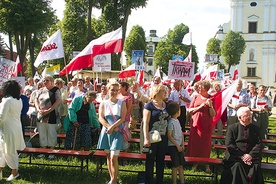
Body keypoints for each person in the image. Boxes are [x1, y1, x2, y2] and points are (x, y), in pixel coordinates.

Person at [220, 107, 264, 184]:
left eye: (250, 115)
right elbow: (230, 144)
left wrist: (250, 155)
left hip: (252, 158)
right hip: (236, 157)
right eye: (247, 116)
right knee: (237, 166)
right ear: (240, 117)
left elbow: (259, 143)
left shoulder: (255, 128)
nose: (250, 117)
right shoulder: (232, 128)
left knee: (255, 167)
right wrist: (242, 156)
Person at [97, 81, 127, 184]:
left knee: (114, 156)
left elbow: (122, 118)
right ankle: (112, 178)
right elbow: (101, 118)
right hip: (107, 132)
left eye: (116, 90)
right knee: (109, 156)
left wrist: (113, 127)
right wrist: (109, 127)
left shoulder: (122, 103)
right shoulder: (103, 103)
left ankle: (114, 180)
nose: (114, 92)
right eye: (112, 90)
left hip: (117, 132)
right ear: (108, 90)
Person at [185, 80, 216, 173]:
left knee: (206, 144)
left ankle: (206, 164)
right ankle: (195, 162)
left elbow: (213, 114)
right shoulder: (195, 97)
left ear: (206, 89)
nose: (198, 89)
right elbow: (190, 110)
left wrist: (210, 106)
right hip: (196, 123)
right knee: (196, 142)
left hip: (206, 125)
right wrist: (200, 107)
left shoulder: (211, 98)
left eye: (200, 87)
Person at [0, 80, 26, 181]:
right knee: (2, 151)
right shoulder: (18, 100)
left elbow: (1, 117)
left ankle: (15, 173)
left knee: (9, 152)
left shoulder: (7, 100)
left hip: (8, 129)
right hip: (14, 128)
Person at [143, 84, 169, 184]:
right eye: (163, 91)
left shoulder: (166, 105)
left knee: (161, 161)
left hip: (163, 137)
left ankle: (159, 181)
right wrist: (146, 138)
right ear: (157, 92)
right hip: (151, 137)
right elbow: (146, 122)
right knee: (150, 161)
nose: (165, 93)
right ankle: (149, 181)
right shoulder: (149, 105)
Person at [35, 75, 61, 159]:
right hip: (41, 115)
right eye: (44, 81)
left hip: (51, 115)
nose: (45, 82)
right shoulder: (40, 90)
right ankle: (43, 151)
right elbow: (36, 100)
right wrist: (38, 109)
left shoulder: (56, 90)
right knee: (42, 133)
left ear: (51, 81)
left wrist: (48, 110)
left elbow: (58, 101)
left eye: (47, 80)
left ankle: (51, 152)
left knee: (51, 133)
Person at [167, 102, 185, 184]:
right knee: (175, 166)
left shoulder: (177, 121)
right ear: (177, 111)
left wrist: (183, 144)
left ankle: (182, 181)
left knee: (181, 165)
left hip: (180, 145)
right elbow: (169, 136)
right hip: (173, 146)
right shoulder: (171, 122)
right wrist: (177, 145)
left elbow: (181, 132)